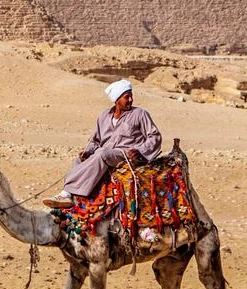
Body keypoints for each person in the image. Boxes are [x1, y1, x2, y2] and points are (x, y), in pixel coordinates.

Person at [43, 79, 162, 209]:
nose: (130, 100)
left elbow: (154, 136)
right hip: (105, 154)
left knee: (101, 153)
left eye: (131, 96)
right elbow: (95, 141)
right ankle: (73, 198)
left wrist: (140, 151)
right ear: (116, 99)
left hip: (126, 155)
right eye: (126, 97)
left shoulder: (140, 114)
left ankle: (66, 192)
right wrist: (88, 151)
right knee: (79, 160)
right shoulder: (104, 116)